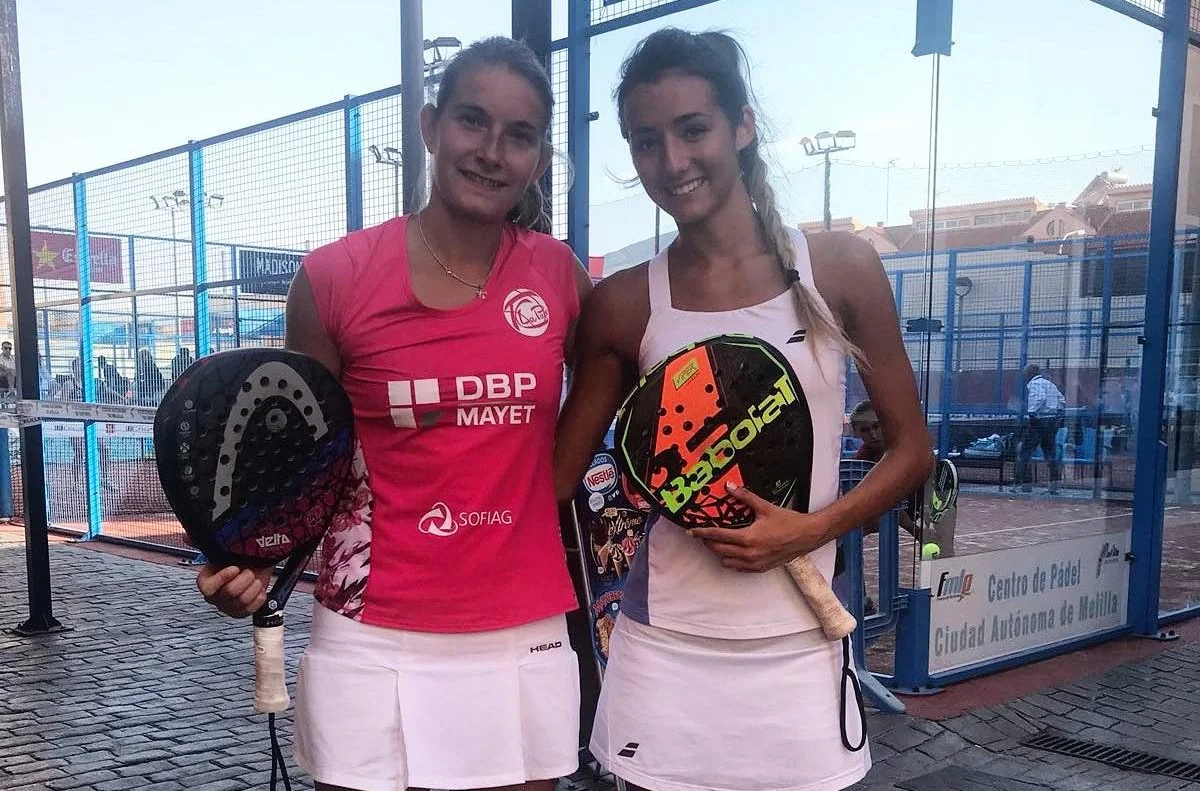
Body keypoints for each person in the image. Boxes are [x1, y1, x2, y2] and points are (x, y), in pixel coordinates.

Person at [195, 37, 590, 791]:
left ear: (539, 160)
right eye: (472, 121)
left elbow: (616, 388)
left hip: (521, 625)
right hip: (369, 628)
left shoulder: (560, 275)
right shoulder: (333, 278)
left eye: (519, 136)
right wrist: (247, 559)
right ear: (430, 126)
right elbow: (300, 458)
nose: (491, 151)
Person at [554, 29, 932, 791]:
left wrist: (814, 527)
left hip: (804, 646)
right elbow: (553, 478)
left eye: (693, 129)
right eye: (646, 142)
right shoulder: (624, 303)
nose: (672, 161)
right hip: (663, 651)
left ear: (743, 126)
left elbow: (912, 449)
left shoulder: (840, 269)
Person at [1012, 363, 1065, 495]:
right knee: (1050, 454)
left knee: (1024, 452)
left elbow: (1040, 398)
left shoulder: (1034, 384)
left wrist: (1032, 411)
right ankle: (1054, 486)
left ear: (1029, 374)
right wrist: (1055, 412)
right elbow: (1061, 400)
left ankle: (1023, 485)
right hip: (1052, 421)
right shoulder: (1050, 384)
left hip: (1039, 421)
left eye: (1025, 373)